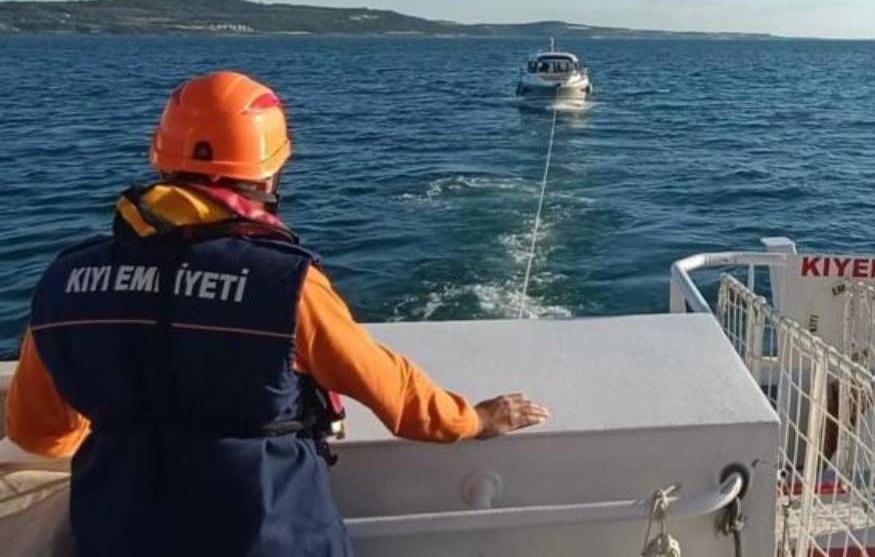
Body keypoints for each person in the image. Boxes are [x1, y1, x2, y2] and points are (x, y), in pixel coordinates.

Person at [5, 71, 550, 556]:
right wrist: (476, 420)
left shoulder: (66, 282)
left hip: (119, 535)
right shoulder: (286, 286)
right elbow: (399, 398)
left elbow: (38, 433)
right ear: (268, 175)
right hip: (268, 536)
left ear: (163, 161)